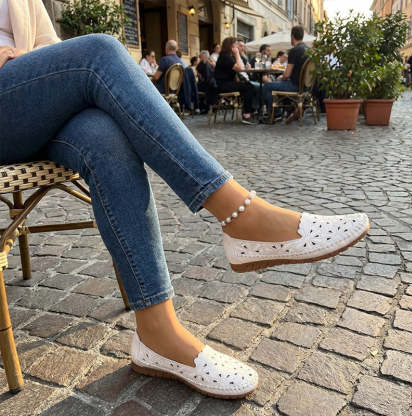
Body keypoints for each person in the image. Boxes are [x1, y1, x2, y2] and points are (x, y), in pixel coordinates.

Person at [1, 0, 370, 399]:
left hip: (33, 107)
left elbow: (48, 44)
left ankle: (157, 333)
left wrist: (29, 62)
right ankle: (239, 215)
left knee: (105, 138)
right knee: (99, 52)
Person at [264, 26, 308, 124]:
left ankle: (276, 114)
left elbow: (287, 74)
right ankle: (290, 110)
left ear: (292, 36)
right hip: (305, 87)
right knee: (279, 85)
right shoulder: (308, 49)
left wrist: (281, 77)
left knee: (267, 86)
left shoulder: (294, 50)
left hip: (294, 86)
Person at [215, 37, 257, 125]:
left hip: (227, 83)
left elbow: (240, 68)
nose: (237, 46)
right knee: (248, 87)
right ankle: (247, 114)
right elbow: (240, 68)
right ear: (231, 46)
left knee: (249, 86)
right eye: (236, 44)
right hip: (223, 85)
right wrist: (237, 54)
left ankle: (250, 111)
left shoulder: (228, 56)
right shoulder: (225, 56)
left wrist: (246, 68)